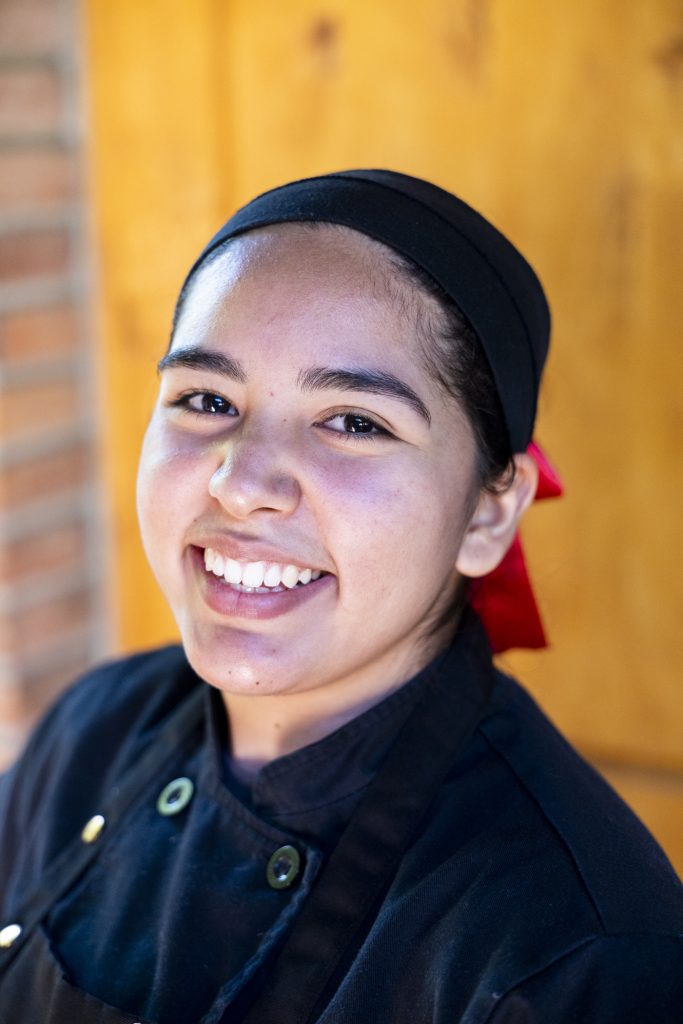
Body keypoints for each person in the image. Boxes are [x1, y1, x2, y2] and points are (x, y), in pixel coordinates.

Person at [0, 170, 681, 1024]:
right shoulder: (92, 729)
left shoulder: (570, 954)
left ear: (487, 512)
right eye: (207, 400)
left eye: (354, 421)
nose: (241, 483)